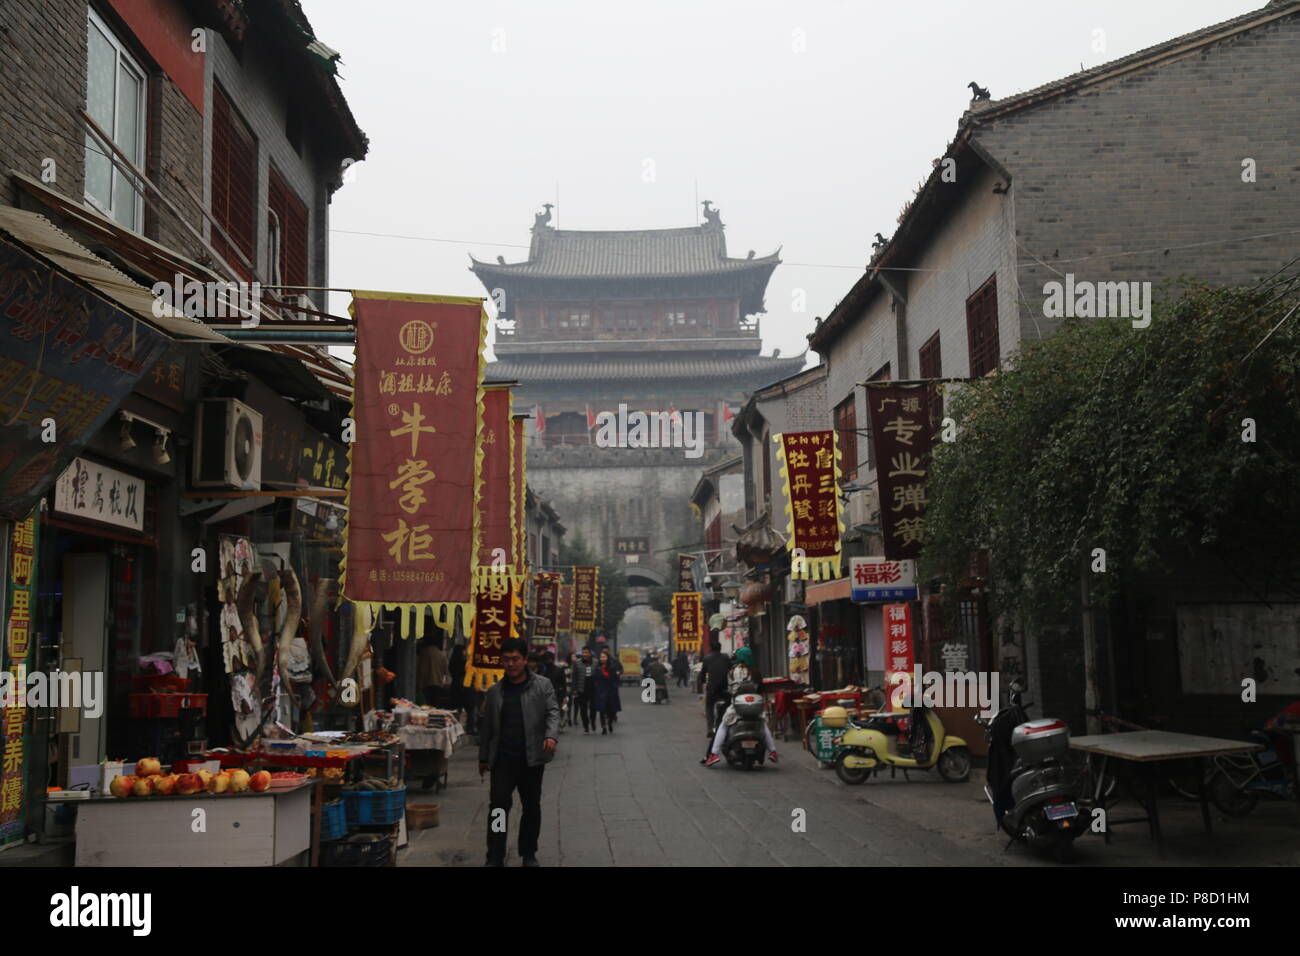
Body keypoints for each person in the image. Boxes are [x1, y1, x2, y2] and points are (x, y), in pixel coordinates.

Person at [478, 638, 560, 867]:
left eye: (515, 659)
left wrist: (551, 736)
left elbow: (553, 712)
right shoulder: (495, 692)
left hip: (531, 758)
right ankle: (494, 854)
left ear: (525, 660)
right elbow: (487, 729)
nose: (511, 664)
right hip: (503, 759)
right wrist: (484, 757)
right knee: (498, 808)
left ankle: (528, 852)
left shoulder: (542, 686)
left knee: (531, 807)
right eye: (506, 660)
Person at [704, 646, 778, 767]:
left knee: (724, 724)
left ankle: (714, 754)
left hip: (737, 706)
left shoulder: (732, 672)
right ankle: (773, 751)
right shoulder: (755, 672)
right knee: (763, 724)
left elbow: (728, 688)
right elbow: (760, 688)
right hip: (755, 706)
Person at [697, 634, 731, 759]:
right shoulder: (726, 658)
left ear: (711, 648)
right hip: (724, 689)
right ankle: (724, 725)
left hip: (712, 689)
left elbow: (703, 674)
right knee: (727, 707)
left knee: (709, 707)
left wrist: (700, 686)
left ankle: (710, 729)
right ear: (720, 648)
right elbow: (731, 670)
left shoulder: (707, 658)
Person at [593, 647, 622, 734]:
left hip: (610, 692)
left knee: (610, 710)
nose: (602, 659)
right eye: (601, 657)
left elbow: (616, 680)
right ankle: (603, 727)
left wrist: (614, 687)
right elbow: (595, 679)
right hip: (601, 692)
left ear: (607, 658)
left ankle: (609, 723)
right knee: (602, 710)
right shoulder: (597, 668)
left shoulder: (612, 668)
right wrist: (597, 688)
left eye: (604, 657)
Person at [570, 646, 597, 733]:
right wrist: (574, 689)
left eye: (586, 652)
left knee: (593, 708)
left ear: (590, 653)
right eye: (583, 652)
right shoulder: (577, 663)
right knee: (583, 709)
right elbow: (574, 677)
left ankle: (592, 722)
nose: (585, 654)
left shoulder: (596, 662)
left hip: (593, 689)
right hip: (581, 689)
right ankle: (586, 726)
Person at [543, 650, 568, 731]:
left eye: (549, 659)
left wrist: (564, 695)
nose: (548, 661)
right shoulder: (543, 671)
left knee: (556, 711)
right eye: (546, 659)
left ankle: (556, 725)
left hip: (557, 694)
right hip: (545, 694)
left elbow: (563, 684)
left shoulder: (559, 670)